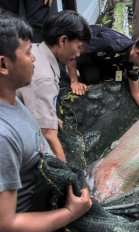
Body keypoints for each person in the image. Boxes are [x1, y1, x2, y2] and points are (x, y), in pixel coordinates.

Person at [0, 7, 91, 232]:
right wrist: (70, 212)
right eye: (27, 52)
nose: (34, 58)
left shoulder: (11, 99)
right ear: (3, 65)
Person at [17, 10, 91, 161]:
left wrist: (49, 116)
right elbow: (47, 134)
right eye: (78, 46)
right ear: (63, 41)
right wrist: (67, 173)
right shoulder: (44, 78)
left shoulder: (37, 49)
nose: (78, 54)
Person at [67, 25, 139, 113]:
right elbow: (72, 51)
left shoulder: (133, 60)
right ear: (138, 54)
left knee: (117, 78)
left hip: (106, 59)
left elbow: (136, 92)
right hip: (87, 52)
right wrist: (74, 82)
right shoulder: (108, 43)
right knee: (92, 78)